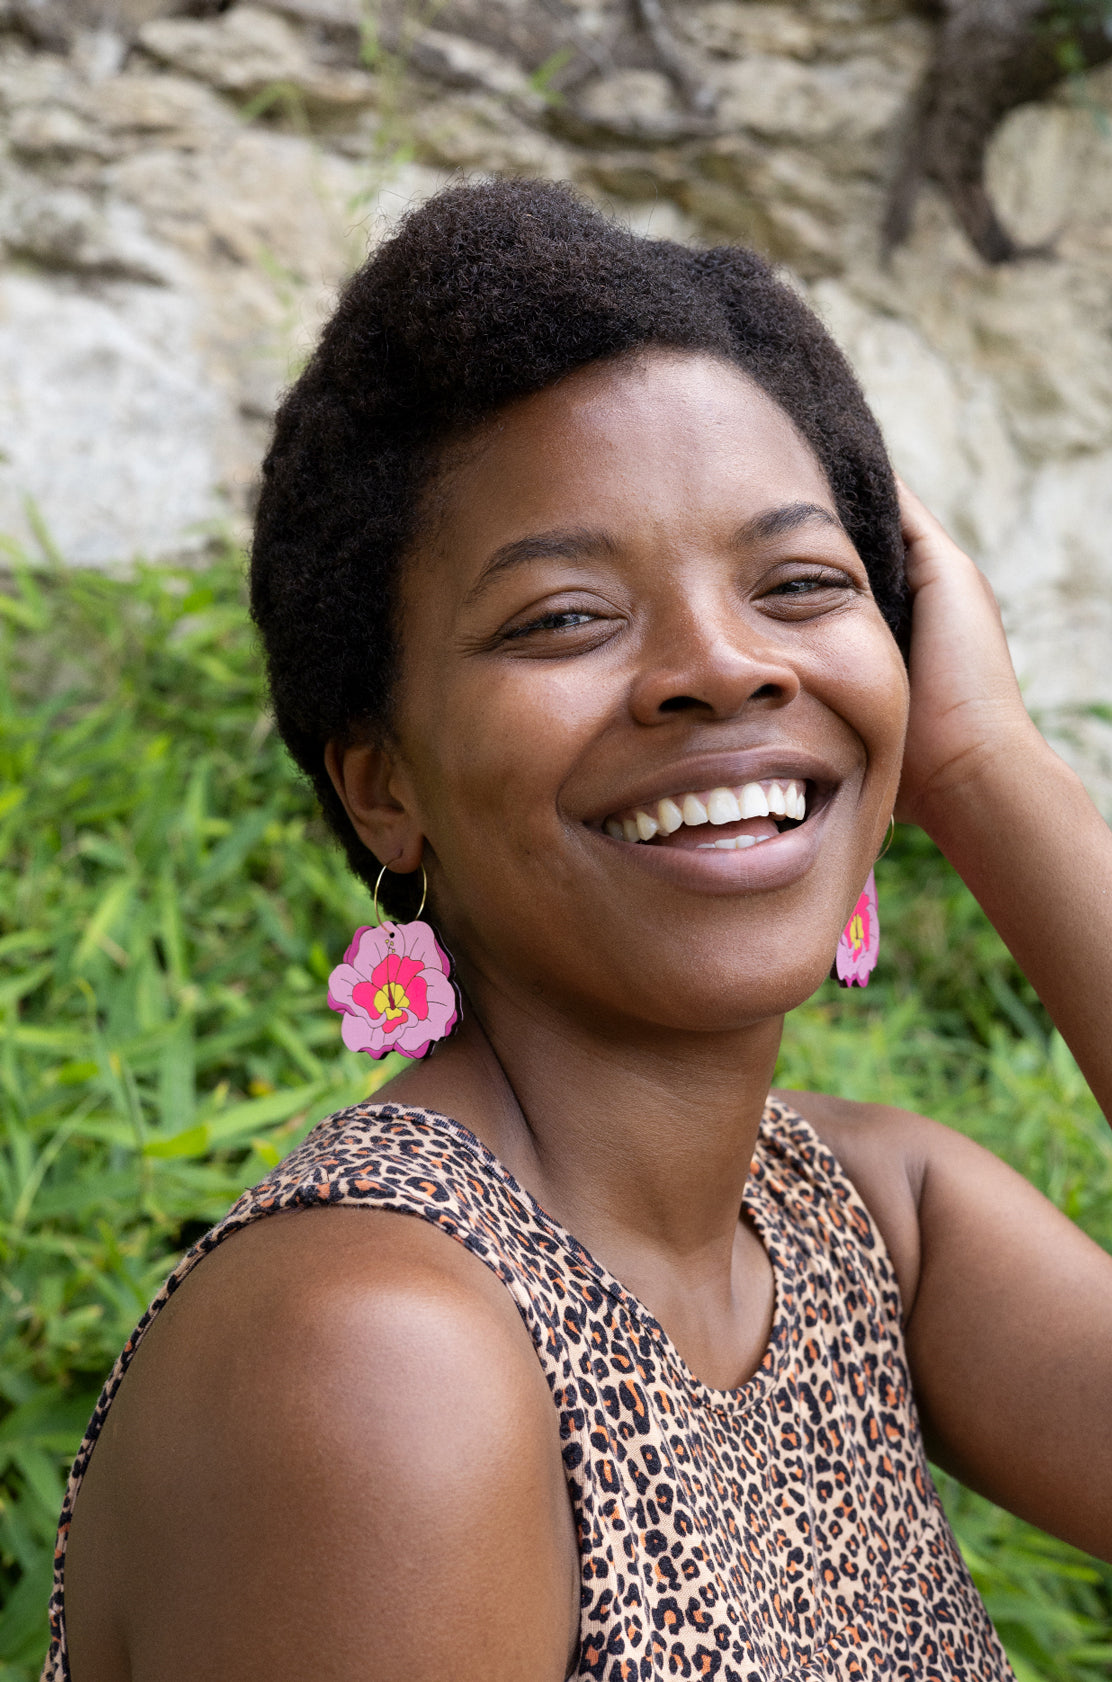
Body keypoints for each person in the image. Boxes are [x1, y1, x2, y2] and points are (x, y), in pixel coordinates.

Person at [44, 179, 1112, 1682]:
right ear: (384, 785)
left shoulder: (862, 1218)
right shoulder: (382, 1358)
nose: (721, 666)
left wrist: (994, 774)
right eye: (562, 616)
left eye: (801, 584)